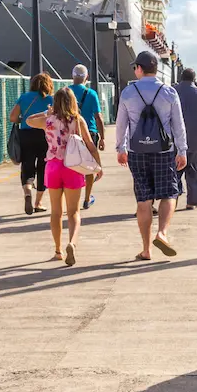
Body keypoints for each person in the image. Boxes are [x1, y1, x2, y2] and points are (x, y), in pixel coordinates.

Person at [116, 51, 187, 260]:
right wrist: (182, 150)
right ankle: (162, 233)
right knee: (169, 193)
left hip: (137, 151)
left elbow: (121, 124)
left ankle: (146, 249)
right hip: (164, 150)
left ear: (139, 68)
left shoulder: (128, 92)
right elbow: (178, 124)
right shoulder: (169, 92)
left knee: (143, 199)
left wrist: (120, 148)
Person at [27, 88, 103, 266]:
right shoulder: (77, 119)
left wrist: (47, 112)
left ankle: (58, 250)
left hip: (53, 167)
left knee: (56, 211)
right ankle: (72, 243)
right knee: (74, 212)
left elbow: (29, 121)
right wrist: (98, 167)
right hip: (73, 167)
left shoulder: (48, 121)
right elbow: (90, 145)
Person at [9, 73, 54, 215]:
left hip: (26, 134)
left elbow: (13, 117)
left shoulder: (24, 97)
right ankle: (38, 203)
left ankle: (27, 192)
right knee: (43, 167)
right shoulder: (51, 100)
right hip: (44, 135)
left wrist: (23, 119)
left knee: (27, 165)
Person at [69, 64, 106, 210]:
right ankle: (86, 198)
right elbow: (98, 117)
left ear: (73, 77)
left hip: (71, 133)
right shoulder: (91, 94)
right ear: (87, 77)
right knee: (89, 166)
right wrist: (102, 137)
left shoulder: (66, 92)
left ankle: (73, 197)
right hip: (89, 132)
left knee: (73, 165)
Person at [174, 67, 197, 210]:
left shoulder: (172, 91)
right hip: (195, 139)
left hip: (175, 139)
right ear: (193, 79)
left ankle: (172, 198)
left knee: (174, 170)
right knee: (193, 170)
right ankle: (191, 201)